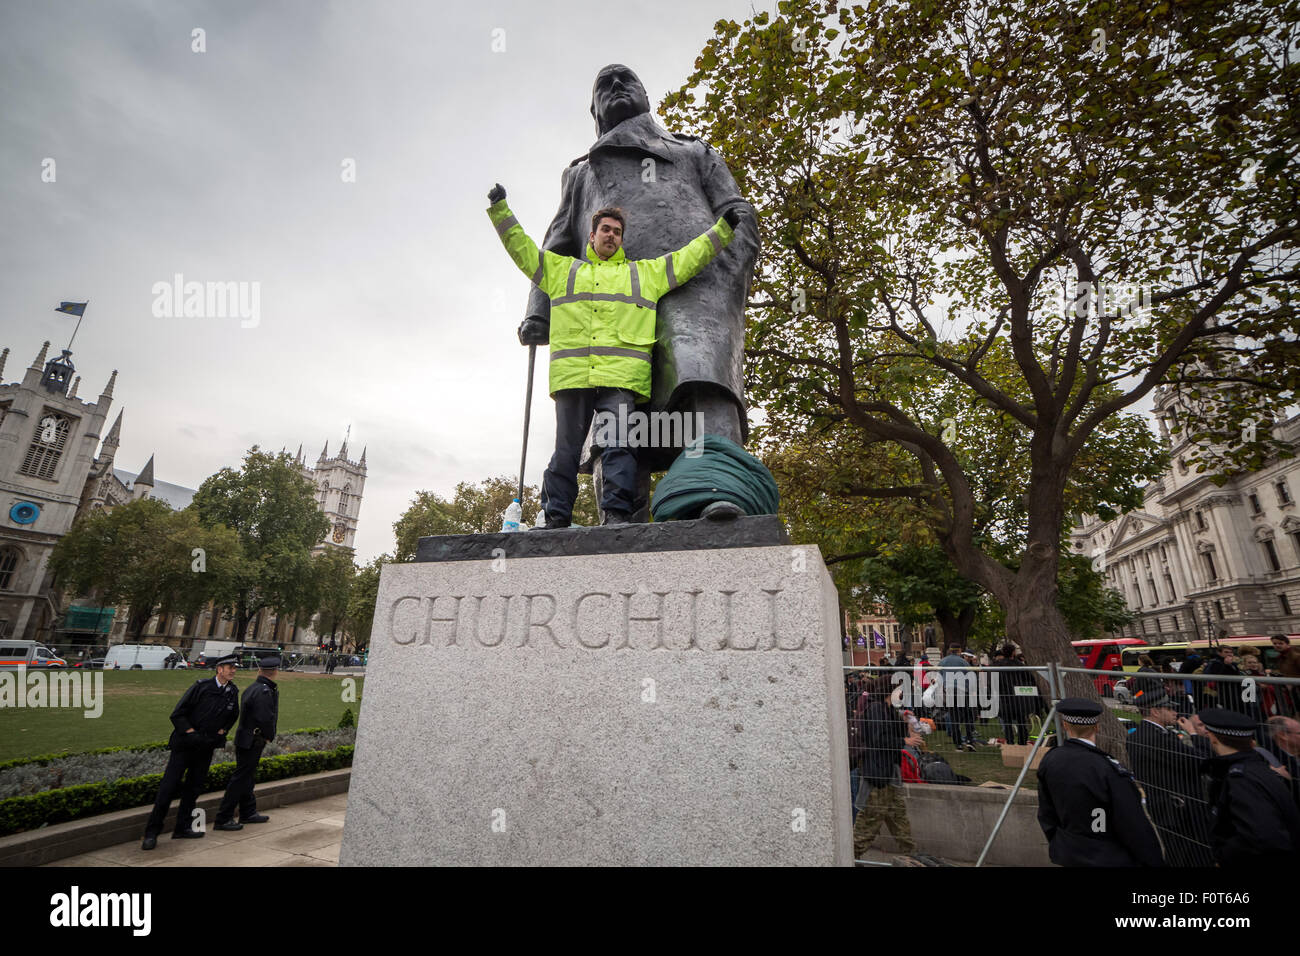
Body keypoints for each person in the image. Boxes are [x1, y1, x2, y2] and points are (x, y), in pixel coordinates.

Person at [490, 183, 738, 527]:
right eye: (605, 229)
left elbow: (688, 258)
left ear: (622, 240)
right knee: (566, 450)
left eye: (617, 232)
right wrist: (500, 209)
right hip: (573, 377)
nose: (611, 235)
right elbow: (523, 250)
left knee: (619, 445)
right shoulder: (563, 272)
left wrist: (723, 228)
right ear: (592, 236)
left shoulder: (644, 275)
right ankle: (555, 517)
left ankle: (617, 516)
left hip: (621, 380)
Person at [1035, 698, 1166, 867]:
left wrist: (1060, 841)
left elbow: (1046, 812)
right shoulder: (1106, 768)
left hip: (1069, 853)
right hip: (1107, 856)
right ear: (1096, 727)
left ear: (1065, 725)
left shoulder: (1050, 760)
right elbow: (1132, 824)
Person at [141, 654, 240, 850]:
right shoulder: (201, 687)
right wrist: (191, 733)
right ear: (219, 669)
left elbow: (233, 714)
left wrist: (223, 731)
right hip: (185, 746)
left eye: (234, 667)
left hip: (205, 747)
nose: (233, 670)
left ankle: (183, 826)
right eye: (230, 667)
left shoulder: (232, 691)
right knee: (168, 788)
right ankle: (152, 832)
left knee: (194, 788)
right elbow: (178, 714)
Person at [1197, 707, 1300, 866]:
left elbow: (1264, 836)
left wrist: (1224, 857)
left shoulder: (1241, 780)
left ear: (1212, 738)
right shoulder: (1258, 768)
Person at [1126, 686, 1215, 867]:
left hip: (1164, 807)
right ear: (1155, 711)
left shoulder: (1137, 735)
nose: (1175, 712)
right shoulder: (1160, 739)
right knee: (1193, 858)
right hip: (1182, 811)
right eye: (1169, 708)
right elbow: (1202, 762)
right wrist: (1194, 734)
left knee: (1176, 854)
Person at [850, 677, 923, 864]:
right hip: (878, 775)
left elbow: (892, 733)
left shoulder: (888, 709)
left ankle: (912, 855)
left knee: (899, 819)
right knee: (869, 823)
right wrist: (904, 742)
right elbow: (878, 740)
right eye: (901, 689)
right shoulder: (876, 709)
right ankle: (849, 856)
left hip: (889, 773)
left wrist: (907, 724)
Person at [214, 656, 281, 830]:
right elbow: (266, 718)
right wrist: (269, 735)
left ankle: (248, 811)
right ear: (275, 672)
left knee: (247, 777)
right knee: (240, 779)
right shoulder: (264, 691)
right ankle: (223, 818)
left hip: (245, 738)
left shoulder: (253, 688)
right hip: (253, 739)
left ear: (260, 671)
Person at [938, 645, 977, 751]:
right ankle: (969, 740)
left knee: (954, 718)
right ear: (959, 651)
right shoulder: (963, 662)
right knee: (968, 716)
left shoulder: (943, 662)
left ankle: (958, 744)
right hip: (962, 690)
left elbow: (939, 678)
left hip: (950, 691)